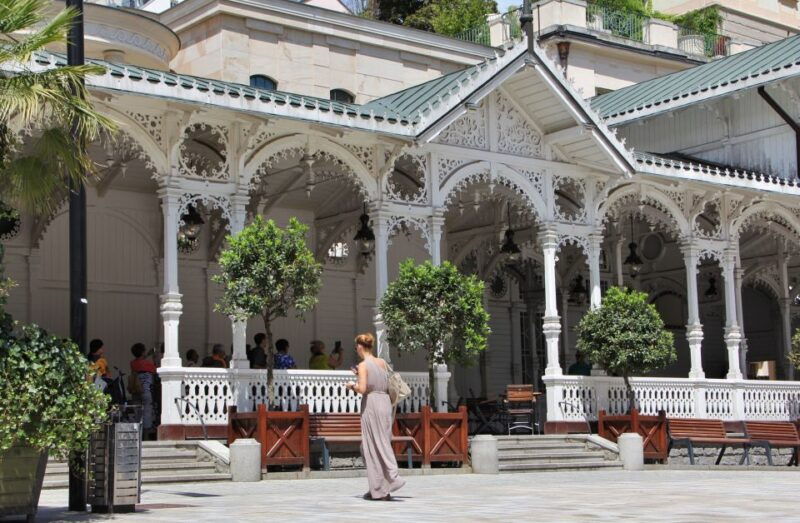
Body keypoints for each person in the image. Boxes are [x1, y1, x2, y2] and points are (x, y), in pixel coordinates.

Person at [345, 333, 405, 500]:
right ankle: (378, 489)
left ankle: (393, 478)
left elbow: (363, 389)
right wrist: (360, 374)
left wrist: (351, 385)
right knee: (376, 443)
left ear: (359, 346)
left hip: (372, 403)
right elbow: (379, 380)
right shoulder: (382, 362)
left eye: (356, 346)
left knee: (374, 445)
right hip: (385, 402)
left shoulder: (364, 365)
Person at [129, 343, 156, 437]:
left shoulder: (132, 363)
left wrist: (145, 356)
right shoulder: (147, 363)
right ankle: (146, 434)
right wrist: (152, 358)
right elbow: (155, 370)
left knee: (137, 412)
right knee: (147, 411)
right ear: (143, 352)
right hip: (145, 390)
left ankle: (137, 433)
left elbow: (138, 363)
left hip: (135, 390)